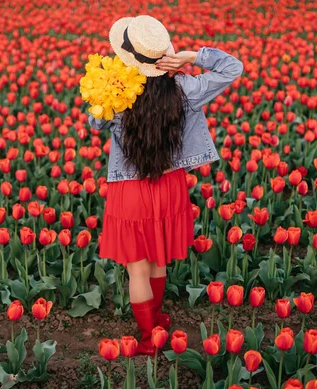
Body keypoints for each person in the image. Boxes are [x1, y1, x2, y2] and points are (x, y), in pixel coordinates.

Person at [88, 15, 243, 355]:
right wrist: (190, 57)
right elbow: (233, 68)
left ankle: (148, 338)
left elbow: (94, 121)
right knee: (158, 258)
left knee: (138, 269)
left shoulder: (117, 91)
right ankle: (155, 321)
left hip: (129, 189)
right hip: (168, 183)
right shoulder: (185, 88)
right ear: (164, 57)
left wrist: (112, 85)